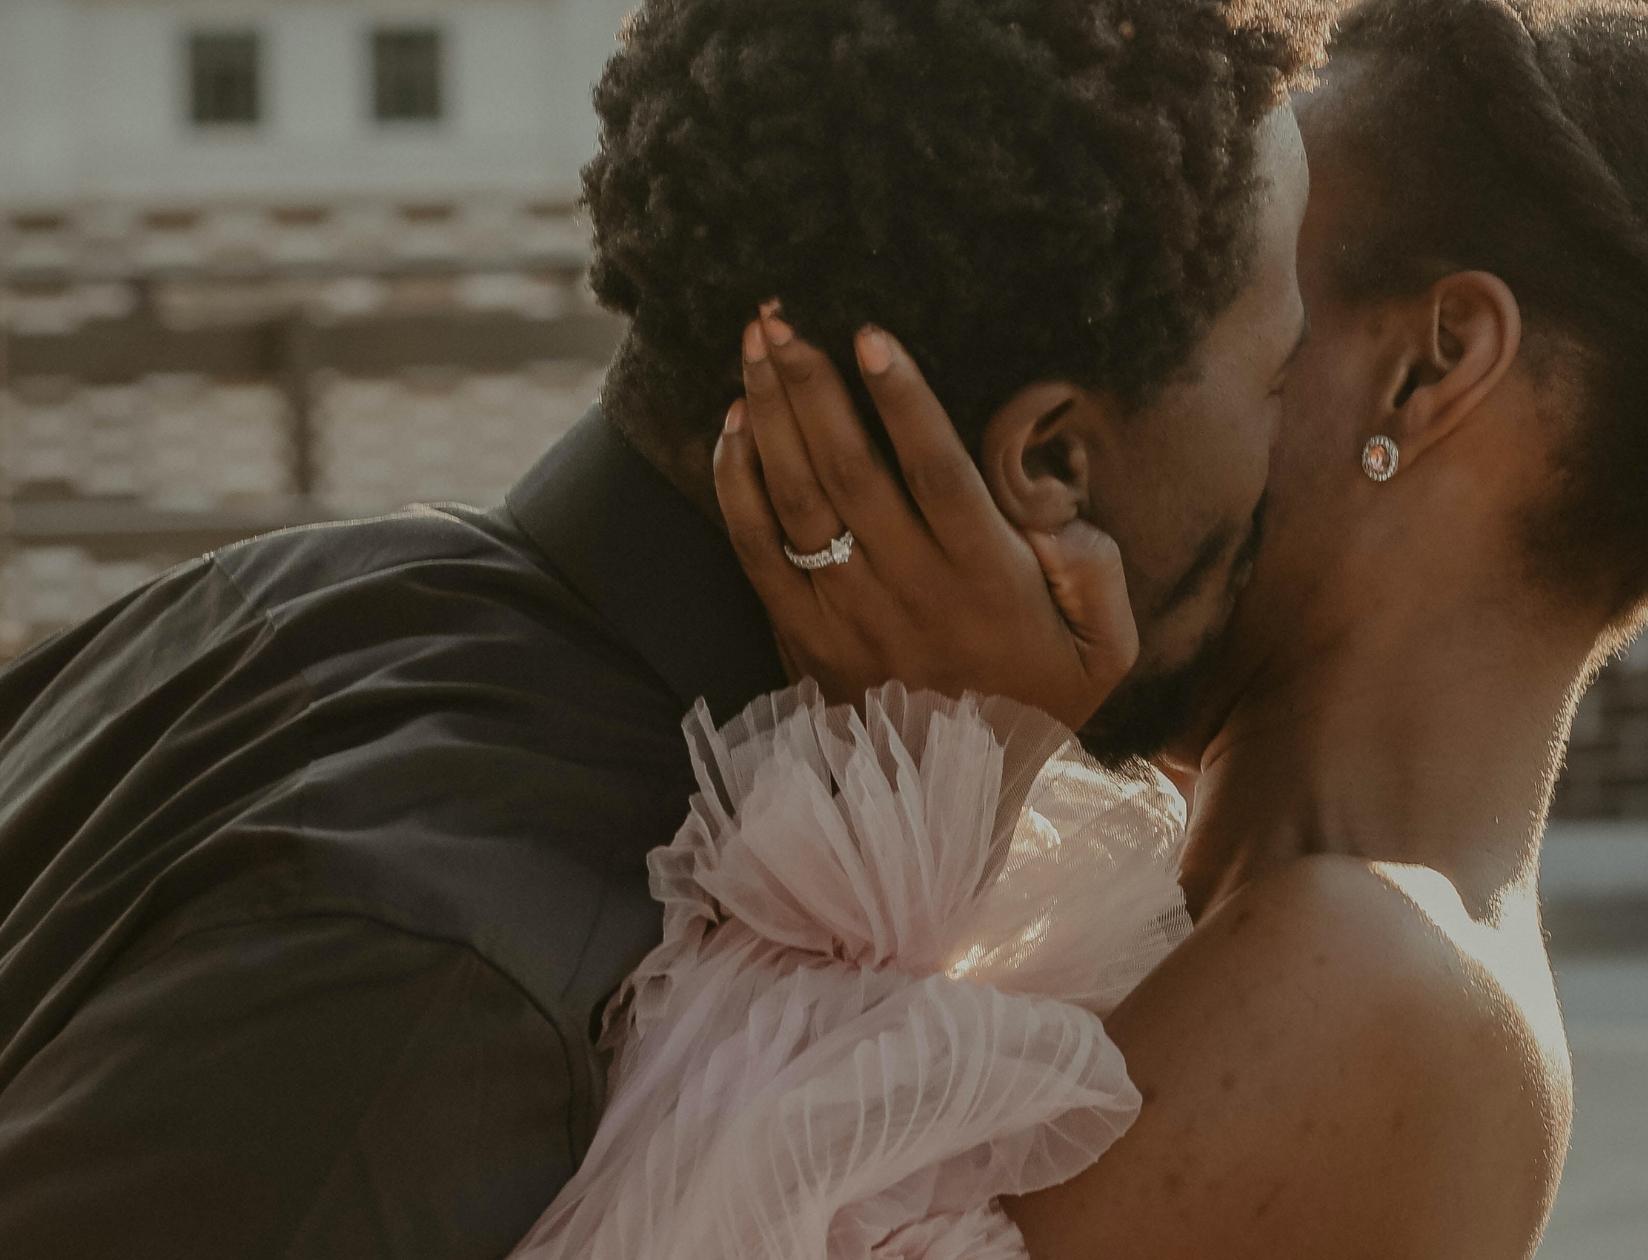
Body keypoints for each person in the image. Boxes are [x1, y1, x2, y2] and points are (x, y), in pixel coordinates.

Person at [635, 1, 1648, 1256]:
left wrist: (930, 749)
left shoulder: (1367, 977)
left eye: (1235, 286)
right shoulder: (1206, 865)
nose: (1142, 343)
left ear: (1433, 368)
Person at [0, 1, 1324, 1254]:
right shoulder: (468, 973)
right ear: (1047, 461)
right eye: (1280, 376)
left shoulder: (293, 596)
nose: (1309, 447)